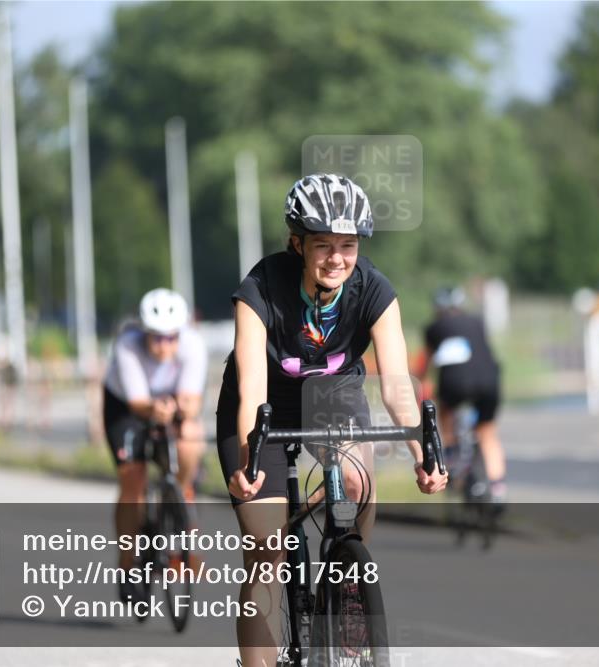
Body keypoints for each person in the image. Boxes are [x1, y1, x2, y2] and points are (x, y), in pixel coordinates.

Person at [216, 173, 447, 666]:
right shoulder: (260, 288)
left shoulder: (375, 291)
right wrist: (249, 454)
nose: (337, 258)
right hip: (265, 408)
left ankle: (343, 587)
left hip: (334, 396)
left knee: (358, 485)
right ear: (297, 244)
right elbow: (253, 383)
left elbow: (397, 383)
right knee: (265, 550)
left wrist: (422, 454)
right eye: (323, 245)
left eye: (348, 245)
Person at [101, 288, 207, 601]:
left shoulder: (194, 344)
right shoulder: (127, 345)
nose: (164, 345)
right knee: (132, 480)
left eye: (171, 338)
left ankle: (180, 495)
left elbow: (192, 400)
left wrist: (182, 410)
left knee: (191, 437)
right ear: (145, 333)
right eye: (157, 338)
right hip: (126, 407)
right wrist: (155, 410)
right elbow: (137, 403)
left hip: (170, 403)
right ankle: (126, 564)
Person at [421, 286, 507, 503]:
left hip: (454, 384)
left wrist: (419, 385)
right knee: (487, 433)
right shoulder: (477, 321)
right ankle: (498, 490)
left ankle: (449, 458)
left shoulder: (434, 328)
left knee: (444, 411)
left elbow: (425, 367)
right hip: (489, 381)